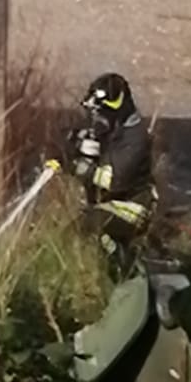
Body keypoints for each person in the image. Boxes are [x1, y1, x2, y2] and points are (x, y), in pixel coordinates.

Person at [67, 72, 157, 274]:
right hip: (105, 203)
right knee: (72, 226)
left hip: (133, 207)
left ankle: (123, 269)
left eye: (102, 113)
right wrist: (72, 145)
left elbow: (114, 181)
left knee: (88, 225)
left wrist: (80, 168)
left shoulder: (136, 140)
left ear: (118, 111)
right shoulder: (109, 130)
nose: (96, 118)